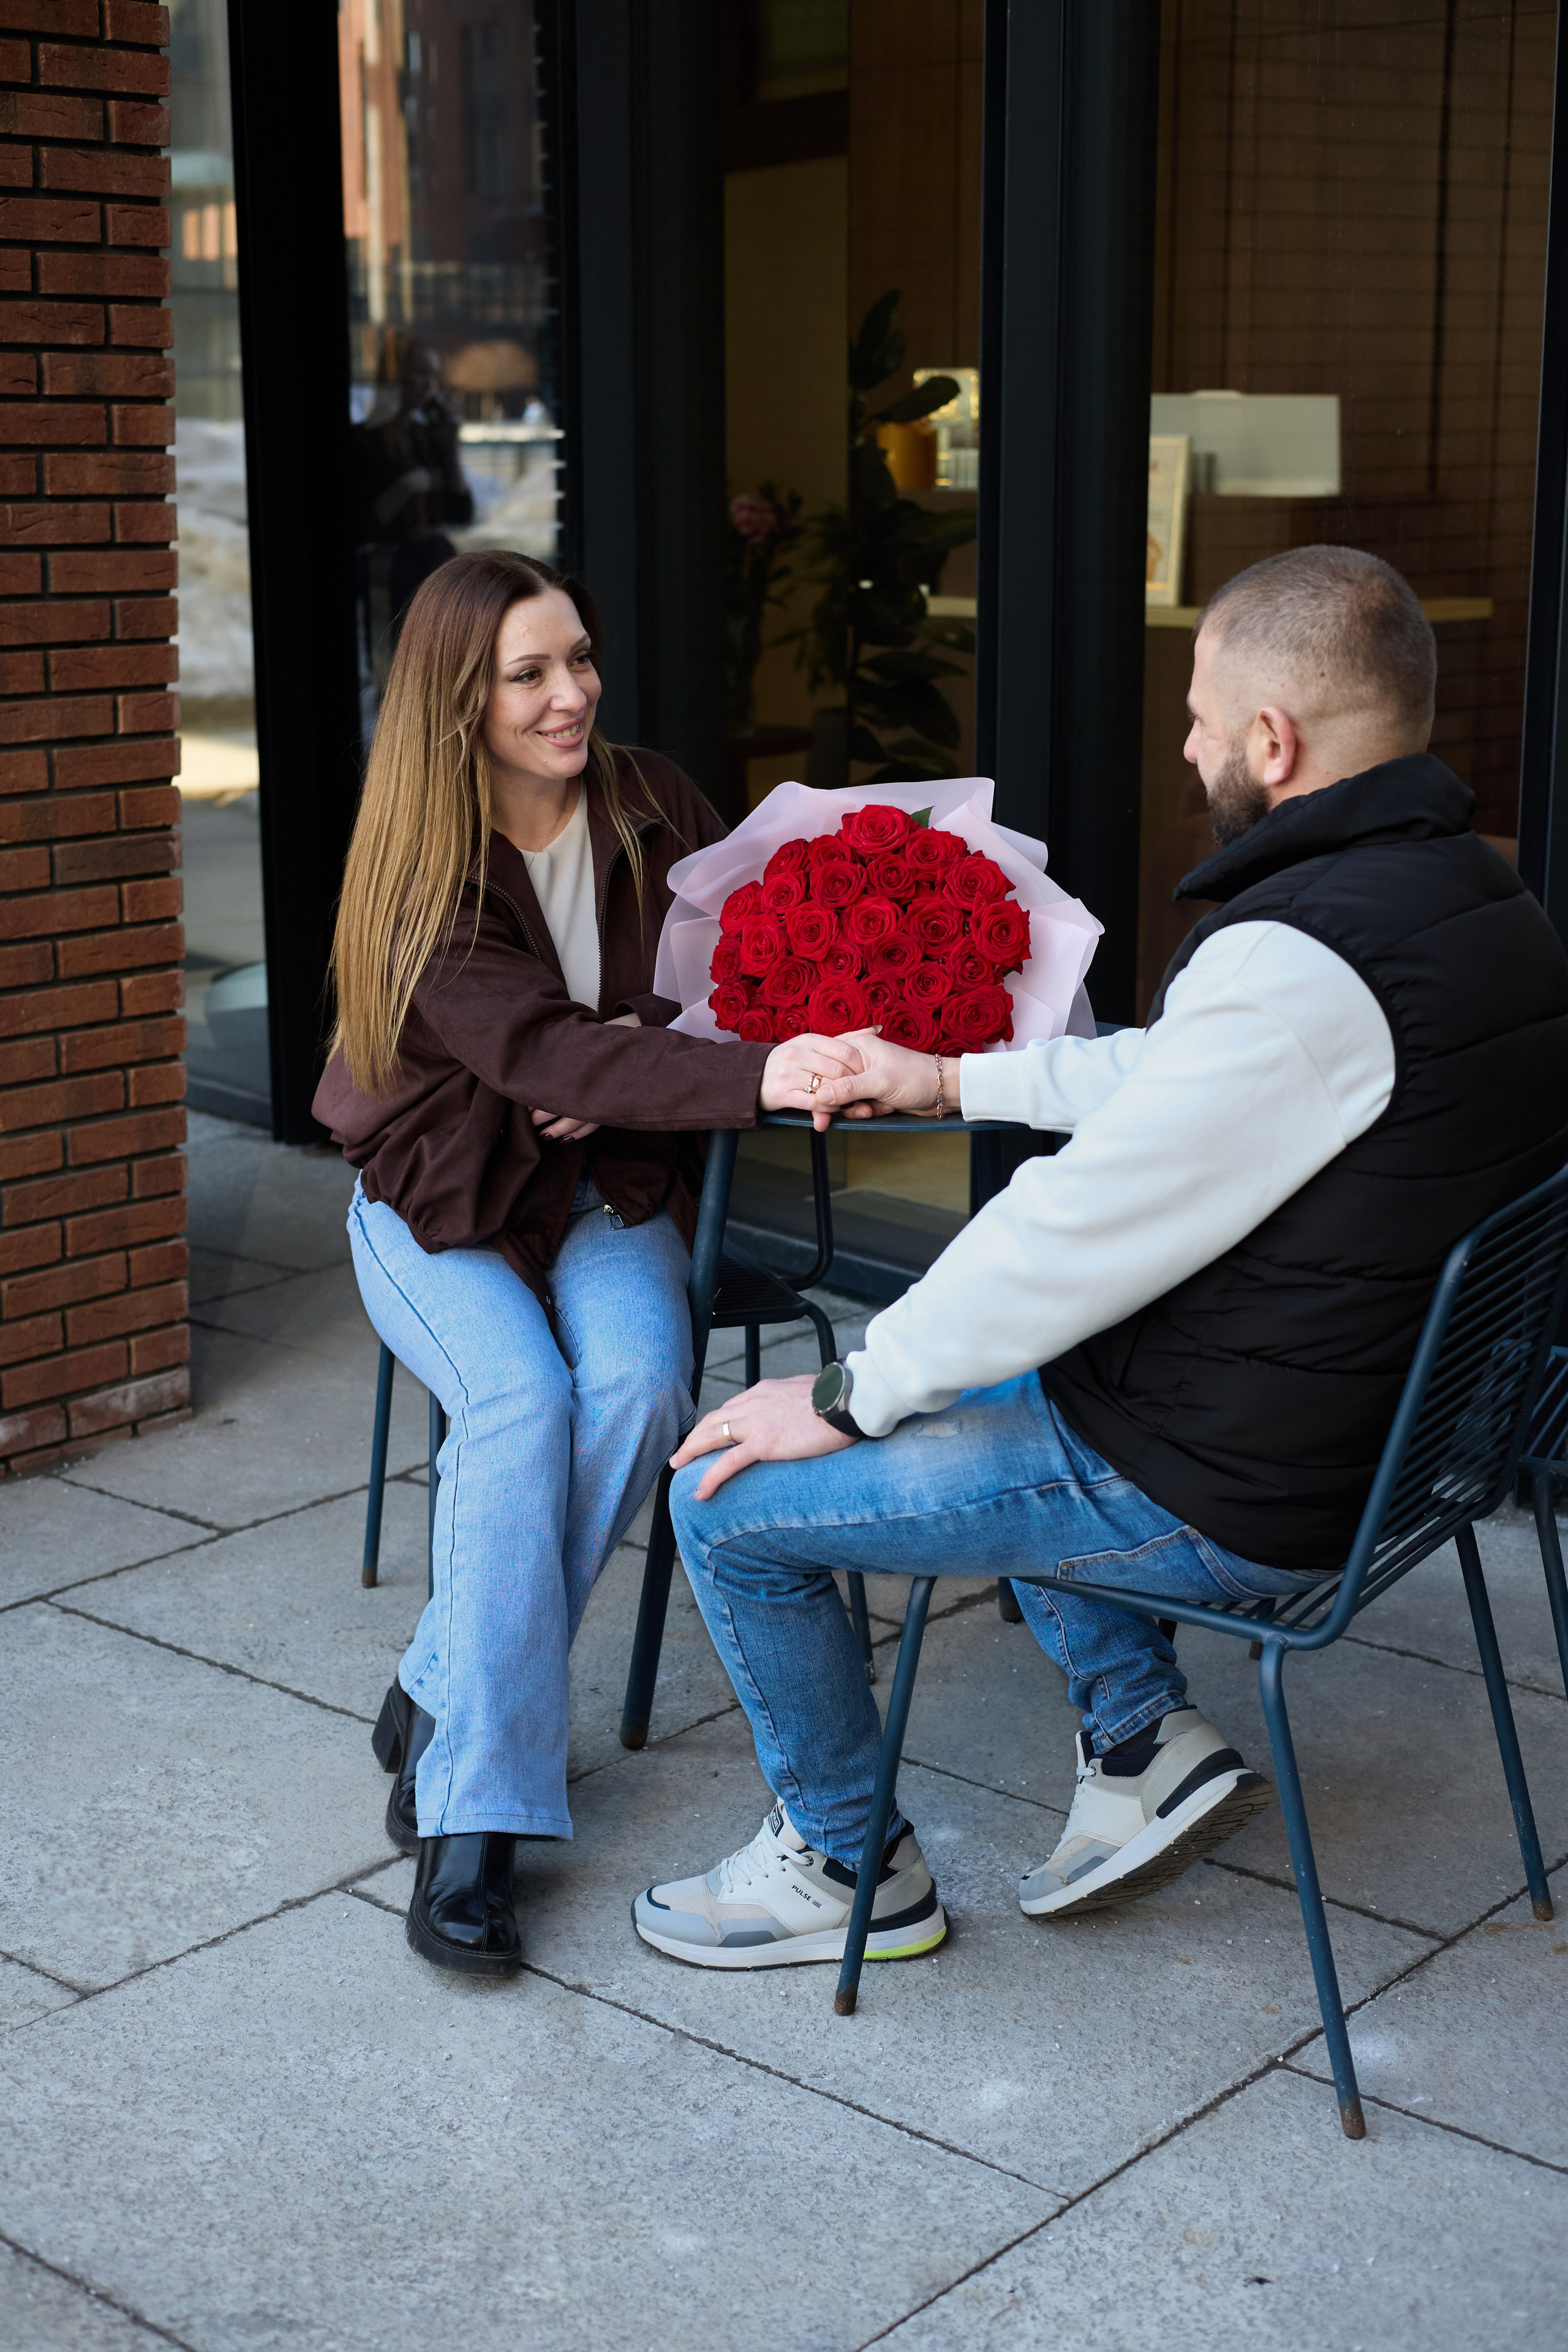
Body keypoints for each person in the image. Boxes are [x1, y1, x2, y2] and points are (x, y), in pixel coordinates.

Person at [633, 545, 1568, 1971]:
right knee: (1024, 1370)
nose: (1186, 745)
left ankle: (840, 1864)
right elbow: (1188, 1080)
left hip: (1242, 1483)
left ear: (1274, 740)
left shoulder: (1300, 956)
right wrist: (952, 1083)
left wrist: (836, 1398)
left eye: (1198, 716)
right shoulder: (1482, 905)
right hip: (1389, 1442)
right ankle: (1137, 1741)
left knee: (727, 1498)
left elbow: (1072, 1230)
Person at [315, 549, 864, 1977]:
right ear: (459, 701)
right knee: (519, 1405)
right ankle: (471, 1825)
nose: (573, 697)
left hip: (605, 1191)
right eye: (529, 675)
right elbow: (535, 1050)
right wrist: (621, 1060)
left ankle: (442, 1678)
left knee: (633, 1384)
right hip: (438, 1203)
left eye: (579, 658)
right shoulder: (422, 864)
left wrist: (651, 1063)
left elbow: (742, 966)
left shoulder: (649, 799)